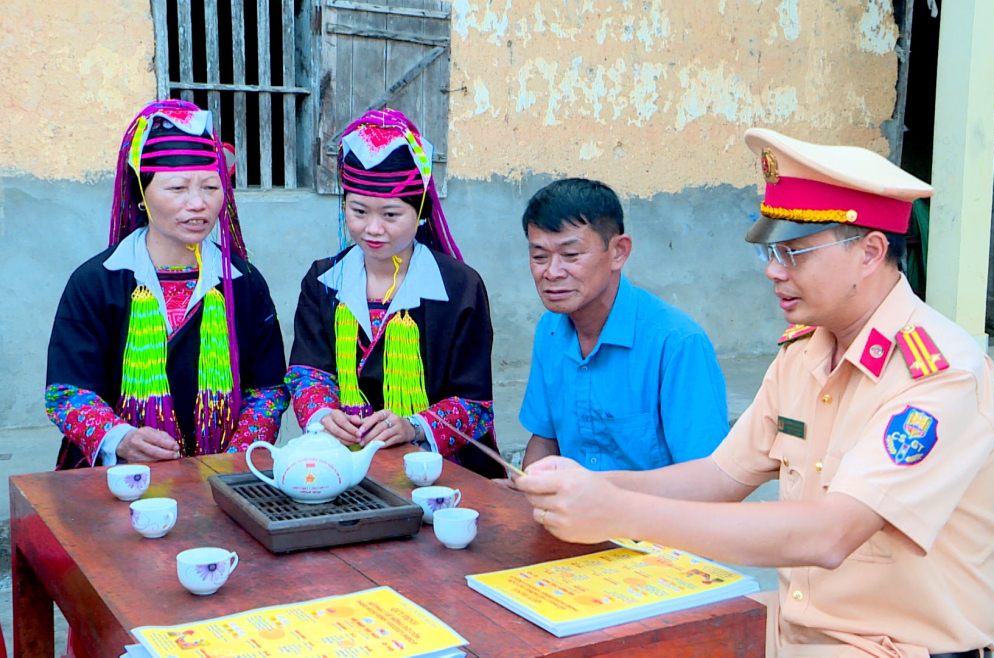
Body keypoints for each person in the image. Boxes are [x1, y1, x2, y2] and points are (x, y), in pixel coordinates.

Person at [516, 130, 994, 657]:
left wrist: (617, 512)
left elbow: (828, 535)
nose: (774, 270)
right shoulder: (803, 355)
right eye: (772, 251)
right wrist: (587, 485)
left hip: (897, 646)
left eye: (795, 252)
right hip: (794, 629)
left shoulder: (940, 373)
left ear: (870, 251)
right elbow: (718, 477)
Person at [45, 100, 289, 469]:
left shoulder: (244, 283)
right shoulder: (97, 281)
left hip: (221, 476)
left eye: (210, 186)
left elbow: (268, 390)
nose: (198, 204)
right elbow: (66, 392)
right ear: (141, 193)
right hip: (117, 477)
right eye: (177, 188)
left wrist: (235, 457)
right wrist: (120, 438)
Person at [285, 108, 504, 479]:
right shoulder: (322, 281)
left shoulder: (459, 287)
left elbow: (476, 402)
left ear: (420, 211)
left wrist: (414, 427)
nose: (373, 229)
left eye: (390, 215)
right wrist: (325, 415)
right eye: (358, 211)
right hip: (345, 461)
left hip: (438, 468)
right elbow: (308, 371)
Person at [518, 178, 729, 472]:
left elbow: (708, 478)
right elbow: (544, 440)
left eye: (571, 255)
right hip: (569, 513)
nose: (552, 272)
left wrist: (600, 498)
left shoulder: (677, 343)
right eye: (539, 256)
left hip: (657, 516)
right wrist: (531, 493)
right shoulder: (550, 330)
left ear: (618, 252)